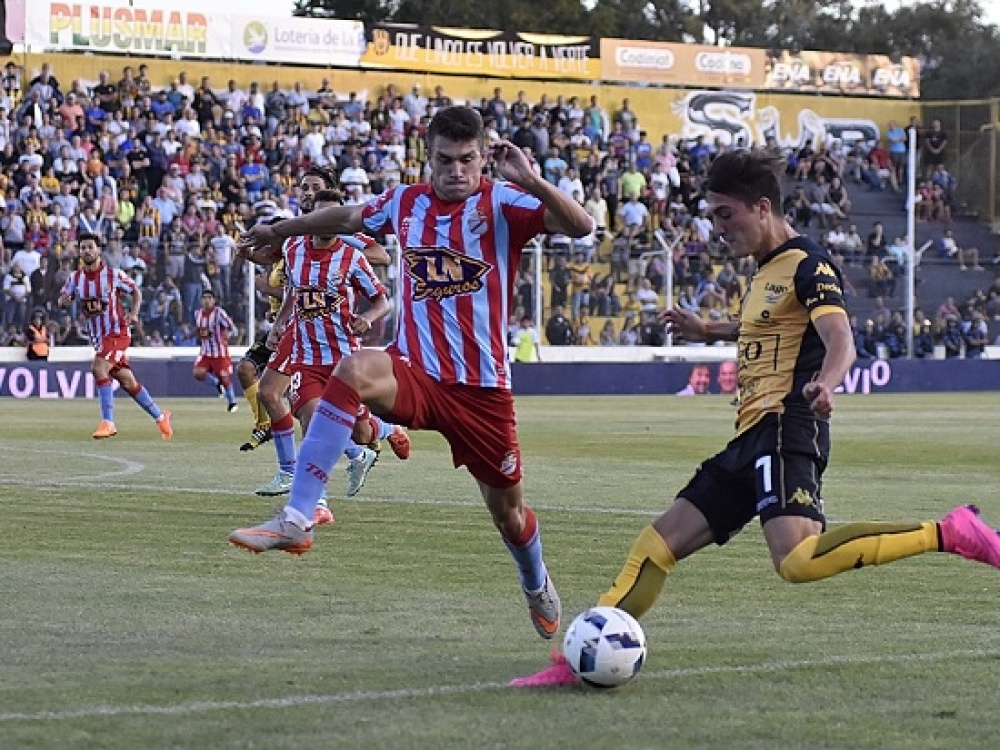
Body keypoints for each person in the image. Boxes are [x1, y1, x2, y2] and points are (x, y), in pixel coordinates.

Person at [510, 148, 1000, 687]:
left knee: (798, 560)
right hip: (750, 435)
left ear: (762, 207)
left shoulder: (810, 264)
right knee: (656, 546)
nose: (718, 228)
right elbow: (766, 325)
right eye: (713, 216)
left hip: (787, 427)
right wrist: (708, 330)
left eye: (726, 214)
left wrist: (827, 384)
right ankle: (575, 661)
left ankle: (949, 532)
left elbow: (841, 338)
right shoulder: (767, 271)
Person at [230, 106, 594, 640]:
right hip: (415, 369)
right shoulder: (406, 202)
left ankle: (535, 580)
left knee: (509, 516)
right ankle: (298, 519)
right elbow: (346, 218)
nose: (456, 171)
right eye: (445, 160)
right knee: (353, 368)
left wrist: (532, 180)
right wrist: (281, 230)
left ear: (482, 157)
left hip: (482, 391)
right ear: (428, 158)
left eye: (467, 160)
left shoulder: (503, 201)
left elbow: (582, 226)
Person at [252, 189, 401, 522]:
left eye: (333, 217)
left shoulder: (351, 257)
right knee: (312, 422)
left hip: (344, 361)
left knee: (360, 434)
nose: (326, 223)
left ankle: (385, 430)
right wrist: (280, 324)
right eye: (320, 216)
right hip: (306, 357)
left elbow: (382, 300)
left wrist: (367, 318)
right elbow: (294, 291)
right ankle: (318, 503)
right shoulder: (293, 249)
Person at [57, 233, 173, 441]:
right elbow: (63, 299)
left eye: (90, 247)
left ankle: (108, 422)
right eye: (83, 248)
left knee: (98, 368)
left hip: (117, 332)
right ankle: (160, 417)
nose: (87, 251)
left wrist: (134, 314)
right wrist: (63, 301)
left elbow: (136, 291)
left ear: (99, 250)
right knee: (128, 383)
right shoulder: (75, 278)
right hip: (99, 339)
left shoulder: (113, 275)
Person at [192, 289, 239, 412]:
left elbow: (232, 327)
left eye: (209, 298)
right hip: (205, 352)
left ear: (214, 300)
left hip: (220, 352)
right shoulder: (197, 313)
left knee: (225, 379)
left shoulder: (219, 313)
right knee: (198, 373)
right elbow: (200, 329)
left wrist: (227, 336)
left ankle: (232, 402)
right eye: (204, 298)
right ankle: (217, 384)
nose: (206, 301)